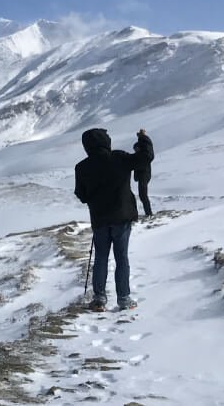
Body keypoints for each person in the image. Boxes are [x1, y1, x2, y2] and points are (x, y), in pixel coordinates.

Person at [74, 128, 154, 311]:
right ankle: (124, 299)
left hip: (99, 220)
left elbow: (82, 195)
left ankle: (99, 299)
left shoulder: (81, 167)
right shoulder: (119, 158)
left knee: (101, 258)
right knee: (121, 258)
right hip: (122, 217)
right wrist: (143, 138)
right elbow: (145, 158)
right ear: (106, 141)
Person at [133, 134, 154, 217]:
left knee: (143, 195)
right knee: (142, 195)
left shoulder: (144, 155)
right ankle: (148, 213)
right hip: (143, 176)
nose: (135, 150)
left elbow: (147, 146)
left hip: (144, 175)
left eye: (136, 148)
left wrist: (142, 137)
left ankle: (149, 213)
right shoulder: (139, 156)